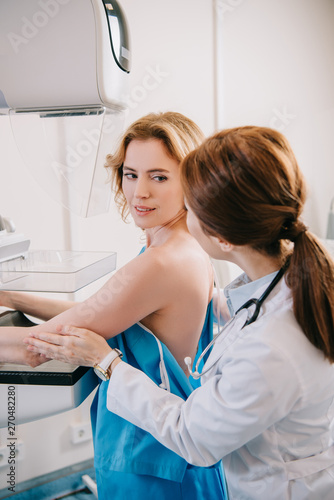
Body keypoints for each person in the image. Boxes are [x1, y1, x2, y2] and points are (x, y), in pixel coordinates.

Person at [26, 125, 334, 499]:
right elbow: (243, 311)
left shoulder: (272, 346)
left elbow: (193, 436)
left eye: (192, 205)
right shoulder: (286, 283)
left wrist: (107, 362)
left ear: (222, 237)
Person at [0, 112, 228, 500]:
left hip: (152, 458)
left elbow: (36, 346)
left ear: (191, 181)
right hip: (168, 449)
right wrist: (11, 298)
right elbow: (95, 310)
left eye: (159, 177)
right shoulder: (181, 246)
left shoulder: (160, 264)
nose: (139, 192)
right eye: (130, 173)